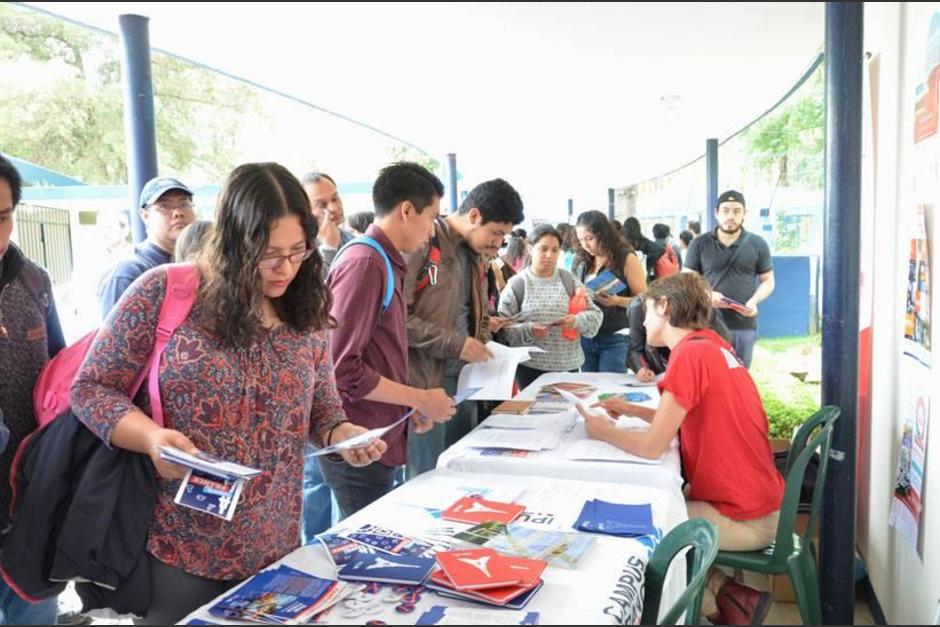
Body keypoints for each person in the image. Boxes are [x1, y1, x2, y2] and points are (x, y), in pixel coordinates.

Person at [71, 162, 383, 624]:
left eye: (299, 251)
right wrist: (151, 438)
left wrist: (342, 434)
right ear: (235, 242)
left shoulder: (305, 310)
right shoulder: (165, 291)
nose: (286, 268)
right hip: (176, 544)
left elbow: (323, 408)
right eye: (269, 253)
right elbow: (92, 388)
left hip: (275, 549)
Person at [580, 272, 783, 625]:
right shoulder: (711, 345)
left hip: (746, 518)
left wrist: (602, 431)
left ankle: (713, 602)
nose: (642, 321)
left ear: (665, 306)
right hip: (758, 502)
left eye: (646, 312)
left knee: (643, 528)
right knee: (663, 501)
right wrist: (630, 410)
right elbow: (683, 416)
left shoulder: (688, 356)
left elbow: (650, 446)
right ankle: (729, 596)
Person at [323, 162, 455, 517]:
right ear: (407, 210)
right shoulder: (365, 262)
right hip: (358, 443)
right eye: (432, 218)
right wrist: (420, 397)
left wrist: (408, 407)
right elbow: (342, 369)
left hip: (380, 434)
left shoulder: (383, 261)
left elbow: (379, 354)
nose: (431, 232)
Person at [405, 178, 524, 478]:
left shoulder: (474, 254)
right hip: (426, 381)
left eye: (504, 237)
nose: (498, 243)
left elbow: (474, 309)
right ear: (473, 216)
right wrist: (456, 344)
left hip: (467, 380)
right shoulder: (425, 243)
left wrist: (485, 341)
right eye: (496, 233)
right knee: (426, 474)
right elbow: (396, 319)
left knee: (462, 468)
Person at [0, 154, 66, 625]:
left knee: (34, 613)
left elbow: (63, 376)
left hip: (30, 499)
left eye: (1, 218)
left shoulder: (33, 280)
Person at [498, 225, 602, 389]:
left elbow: (595, 315)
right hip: (529, 370)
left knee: (569, 413)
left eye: (555, 250)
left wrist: (576, 320)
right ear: (530, 248)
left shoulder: (569, 280)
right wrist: (529, 329)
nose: (549, 255)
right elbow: (503, 327)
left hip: (569, 367)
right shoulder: (517, 284)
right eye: (543, 249)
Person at [683, 190, 775, 368]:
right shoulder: (699, 243)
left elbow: (768, 280)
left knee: (739, 377)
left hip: (743, 324)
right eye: (725, 210)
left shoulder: (758, 244)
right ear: (716, 213)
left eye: (736, 211)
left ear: (744, 214)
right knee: (708, 375)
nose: (730, 216)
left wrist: (754, 301)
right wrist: (706, 295)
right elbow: (686, 281)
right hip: (707, 324)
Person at [98, 177, 196, 319]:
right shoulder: (129, 273)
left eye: (184, 204)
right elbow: (113, 339)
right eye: (165, 207)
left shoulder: (203, 264)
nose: (177, 213)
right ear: (145, 216)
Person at [573, 211, 646, 373]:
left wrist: (617, 301)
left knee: (610, 390)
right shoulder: (581, 260)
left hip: (615, 336)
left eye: (589, 238)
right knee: (590, 389)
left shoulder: (625, 258)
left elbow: (644, 299)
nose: (585, 245)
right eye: (581, 240)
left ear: (603, 234)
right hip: (586, 335)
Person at [301, 171, 354, 269]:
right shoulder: (300, 249)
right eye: (321, 205)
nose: (333, 208)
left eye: (335, 199)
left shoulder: (351, 240)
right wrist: (328, 248)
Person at [621, 217, 665, 284]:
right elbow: (660, 250)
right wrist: (648, 261)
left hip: (626, 274)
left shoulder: (622, 242)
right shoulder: (644, 241)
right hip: (643, 274)